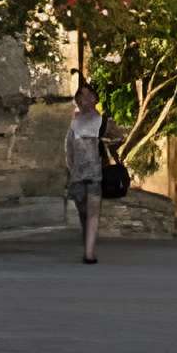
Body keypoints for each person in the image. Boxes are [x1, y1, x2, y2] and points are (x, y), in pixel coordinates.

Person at [64, 76, 121, 264]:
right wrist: (70, 167)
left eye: (89, 96)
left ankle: (89, 253)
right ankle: (87, 239)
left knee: (93, 212)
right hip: (77, 175)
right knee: (83, 210)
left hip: (96, 173)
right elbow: (68, 147)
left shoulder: (103, 121)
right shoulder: (74, 121)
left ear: (95, 99)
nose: (85, 99)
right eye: (82, 95)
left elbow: (119, 138)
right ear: (78, 100)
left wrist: (105, 141)